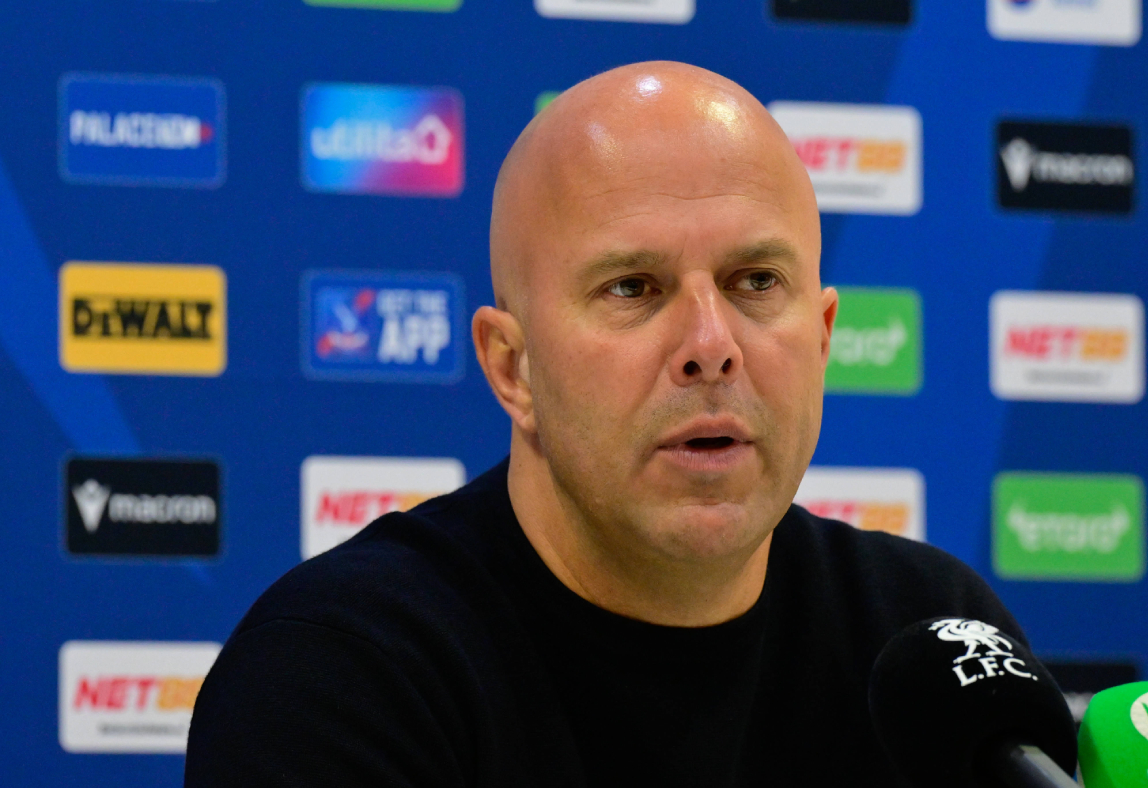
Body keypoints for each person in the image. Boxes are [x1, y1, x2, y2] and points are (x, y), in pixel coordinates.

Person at [185, 61, 1026, 788]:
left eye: (756, 281)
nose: (711, 346)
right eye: (632, 288)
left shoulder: (933, 641)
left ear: (824, 336)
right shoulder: (340, 675)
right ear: (513, 367)